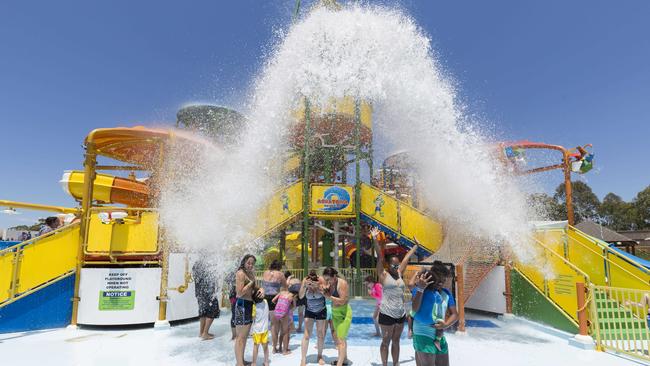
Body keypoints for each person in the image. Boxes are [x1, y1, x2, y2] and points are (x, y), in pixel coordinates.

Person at [371, 227, 419, 366]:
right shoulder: (383, 274)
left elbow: (407, 257)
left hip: (400, 313)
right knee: (386, 341)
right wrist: (374, 238)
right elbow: (380, 257)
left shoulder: (399, 273)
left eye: (397, 264)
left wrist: (416, 245)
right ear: (388, 264)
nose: (395, 266)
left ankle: (396, 363)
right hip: (386, 313)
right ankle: (385, 364)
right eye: (393, 264)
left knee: (396, 341)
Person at [411, 262, 458, 366]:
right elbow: (414, 309)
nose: (441, 282)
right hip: (422, 333)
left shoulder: (446, 293)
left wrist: (445, 325)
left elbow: (455, 314)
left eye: (444, 279)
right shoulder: (421, 289)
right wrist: (420, 289)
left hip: (439, 335)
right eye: (439, 279)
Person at [322, 267, 352, 366]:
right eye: (325, 279)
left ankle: (339, 364)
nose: (327, 281)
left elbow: (343, 301)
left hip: (344, 313)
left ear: (334, 276)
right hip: (335, 313)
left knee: (340, 340)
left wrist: (329, 297)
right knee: (340, 338)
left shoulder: (342, 283)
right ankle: (344, 360)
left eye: (328, 279)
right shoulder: (331, 283)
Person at [234, 254, 259, 366]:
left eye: (252, 263)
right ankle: (239, 363)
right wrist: (249, 283)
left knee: (244, 337)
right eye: (248, 263)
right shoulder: (240, 274)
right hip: (241, 305)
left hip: (248, 304)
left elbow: (255, 288)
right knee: (240, 337)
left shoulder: (251, 274)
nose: (250, 265)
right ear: (244, 262)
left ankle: (241, 361)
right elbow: (239, 293)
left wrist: (260, 288)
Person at [300, 270, 328, 366]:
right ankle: (303, 358)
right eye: (310, 277)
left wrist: (318, 287)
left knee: (320, 334)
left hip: (321, 310)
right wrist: (305, 286)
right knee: (307, 334)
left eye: (314, 278)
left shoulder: (321, 280)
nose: (311, 280)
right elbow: (300, 296)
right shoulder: (305, 281)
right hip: (309, 310)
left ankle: (319, 356)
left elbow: (327, 295)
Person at [192, 257, 220, 340]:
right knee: (213, 310)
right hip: (208, 292)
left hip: (199, 292)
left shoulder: (197, 263)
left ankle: (202, 332)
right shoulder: (208, 263)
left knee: (203, 311)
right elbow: (211, 277)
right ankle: (205, 333)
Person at [262, 260, 286, 353]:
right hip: (275, 299)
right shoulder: (280, 274)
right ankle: (274, 347)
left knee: (268, 324)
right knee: (275, 325)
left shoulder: (265, 273)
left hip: (264, 299)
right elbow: (285, 288)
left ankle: (269, 345)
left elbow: (264, 285)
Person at [272, 283, 294, 355]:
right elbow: (293, 306)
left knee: (275, 332)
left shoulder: (281, 293)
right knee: (285, 332)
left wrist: (279, 305)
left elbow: (273, 300)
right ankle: (284, 351)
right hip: (284, 314)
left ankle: (274, 349)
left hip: (276, 312)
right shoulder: (291, 295)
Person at [251, 289, 270, 366]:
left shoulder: (254, 306)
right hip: (265, 329)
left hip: (257, 330)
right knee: (265, 347)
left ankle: (254, 363)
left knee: (256, 347)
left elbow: (253, 317)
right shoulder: (266, 302)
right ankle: (266, 362)